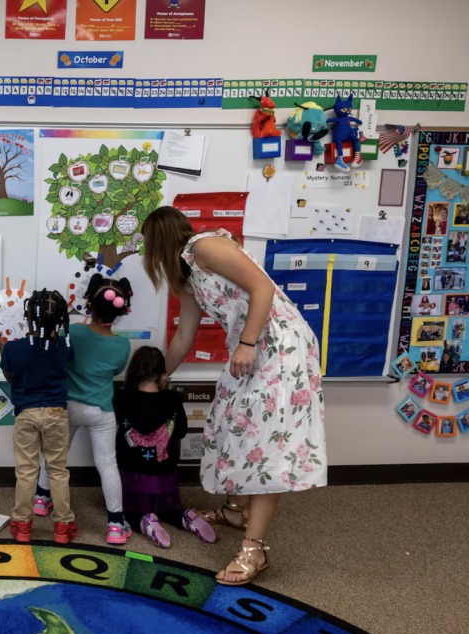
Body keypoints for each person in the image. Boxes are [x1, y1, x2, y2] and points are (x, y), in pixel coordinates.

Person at [141, 207, 326, 586]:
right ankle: (235, 510)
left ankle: (255, 550)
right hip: (253, 348)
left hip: (279, 345)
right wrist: (159, 378)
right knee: (231, 423)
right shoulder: (189, 276)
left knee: (265, 441)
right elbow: (184, 337)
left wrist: (247, 343)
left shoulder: (205, 246)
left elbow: (263, 288)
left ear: (158, 240)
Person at [33, 274, 134, 546]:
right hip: (101, 411)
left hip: (67, 407)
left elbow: (59, 357)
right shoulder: (123, 345)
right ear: (121, 311)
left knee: (55, 455)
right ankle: (115, 525)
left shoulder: (73, 332)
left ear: (89, 304)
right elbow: (116, 371)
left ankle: (41, 499)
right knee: (107, 463)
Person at [113, 346, 216, 548]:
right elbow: (181, 432)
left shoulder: (122, 398)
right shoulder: (173, 399)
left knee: (128, 511)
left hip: (133, 474)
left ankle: (145, 522)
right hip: (165, 476)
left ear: (134, 372)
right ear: (163, 374)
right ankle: (185, 517)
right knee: (168, 510)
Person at [0, 289, 78, 544]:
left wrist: (2, 350)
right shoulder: (64, 346)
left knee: (26, 471)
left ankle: (22, 525)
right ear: (61, 320)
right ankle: (63, 527)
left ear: (29, 317)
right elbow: (58, 358)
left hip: (26, 415)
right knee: (58, 471)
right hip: (56, 414)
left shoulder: (13, 348)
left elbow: (10, 377)